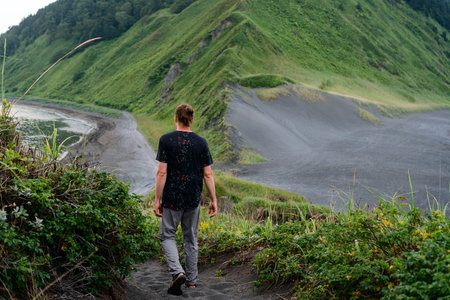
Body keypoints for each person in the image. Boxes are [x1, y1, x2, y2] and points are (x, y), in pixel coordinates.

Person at [153, 103, 218, 296]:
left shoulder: (166, 140)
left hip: (172, 197)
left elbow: (161, 172)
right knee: (190, 238)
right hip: (193, 198)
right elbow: (208, 174)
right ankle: (191, 281)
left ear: (176, 118)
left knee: (167, 235)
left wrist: (157, 199)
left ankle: (177, 272)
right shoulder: (201, 142)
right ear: (191, 119)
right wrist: (213, 199)